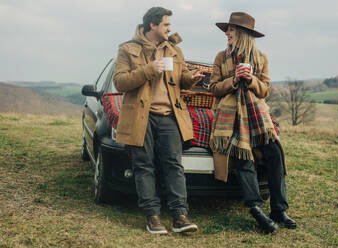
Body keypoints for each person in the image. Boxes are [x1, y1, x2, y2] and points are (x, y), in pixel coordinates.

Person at [113, 7, 205, 234]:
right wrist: (147, 70)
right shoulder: (127, 49)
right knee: (143, 166)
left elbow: (180, 79)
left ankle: (180, 216)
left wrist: (190, 79)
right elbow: (120, 82)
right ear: (152, 25)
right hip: (140, 117)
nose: (169, 29)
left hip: (169, 117)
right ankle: (152, 217)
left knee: (174, 165)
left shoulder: (173, 50)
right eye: (166, 24)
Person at [209, 12, 296, 234]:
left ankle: (279, 210)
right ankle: (256, 208)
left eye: (231, 29)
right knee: (243, 157)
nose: (227, 33)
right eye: (227, 29)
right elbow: (214, 89)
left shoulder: (261, 58)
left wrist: (251, 79)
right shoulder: (221, 57)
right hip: (230, 118)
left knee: (275, 154)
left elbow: (265, 90)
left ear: (243, 34)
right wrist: (234, 80)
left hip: (257, 116)